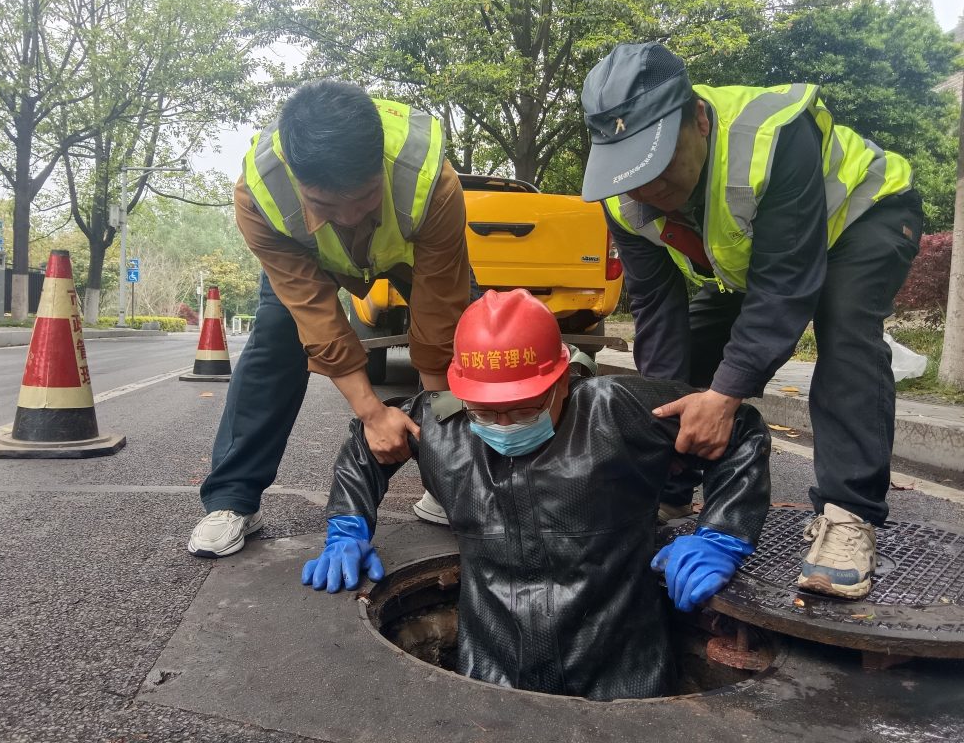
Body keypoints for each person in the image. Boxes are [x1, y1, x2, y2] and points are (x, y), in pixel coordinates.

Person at [302, 289, 770, 701]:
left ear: (562, 381)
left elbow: (739, 429)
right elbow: (369, 445)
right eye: (486, 411)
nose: (503, 425)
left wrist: (721, 534)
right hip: (491, 669)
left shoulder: (614, 410)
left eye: (523, 409)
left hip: (623, 672)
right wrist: (348, 527)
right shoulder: (441, 425)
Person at [579, 42, 922, 601]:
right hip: (761, 259)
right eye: (631, 174)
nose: (648, 192)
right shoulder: (623, 201)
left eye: (660, 169)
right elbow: (656, 311)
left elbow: (785, 287)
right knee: (685, 352)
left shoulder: (772, 137)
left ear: (697, 120)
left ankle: (849, 515)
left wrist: (725, 396)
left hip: (862, 217)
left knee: (845, 331)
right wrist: (668, 432)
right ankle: (673, 485)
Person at [187, 81, 471, 558]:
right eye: (324, 205)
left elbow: (439, 313)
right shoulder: (260, 196)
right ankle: (233, 498)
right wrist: (372, 414)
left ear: (379, 164)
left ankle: (451, 477)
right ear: (299, 179)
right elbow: (316, 316)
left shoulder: (431, 183)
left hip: (409, 254)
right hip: (306, 258)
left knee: (475, 337)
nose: (348, 217)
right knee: (276, 341)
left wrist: (437, 423)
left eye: (364, 198)